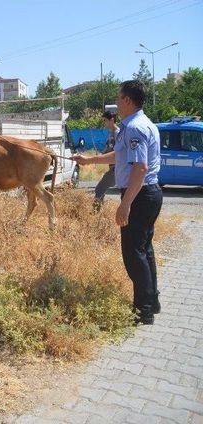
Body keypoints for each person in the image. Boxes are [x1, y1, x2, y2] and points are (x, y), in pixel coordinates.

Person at [73, 80, 162, 325]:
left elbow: (140, 167)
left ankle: (142, 310)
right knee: (145, 250)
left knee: (133, 253)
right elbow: (121, 155)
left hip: (140, 194)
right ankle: (151, 301)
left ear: (126, 100)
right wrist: (89, 161)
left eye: (118, 97)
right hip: (147, 193)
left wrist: (125, 204)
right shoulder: (140, 124)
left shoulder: (134, 128)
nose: (116, 102)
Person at [93, 111, 120, 210]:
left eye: (105, 120)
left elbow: (119, 153)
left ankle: (96, 214)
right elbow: (109, 148)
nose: (104, 123)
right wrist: (100, 155)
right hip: (113, 168)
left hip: (117, 169)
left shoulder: (118, 133)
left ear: (112, 120)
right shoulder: (111, 134)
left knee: (99, 189)